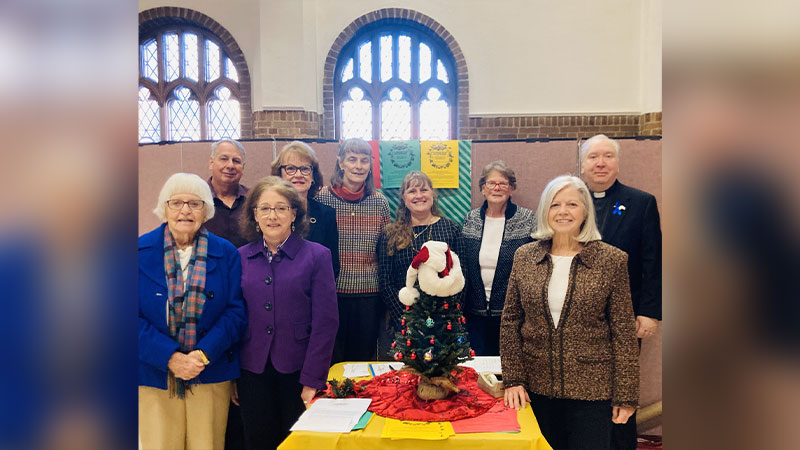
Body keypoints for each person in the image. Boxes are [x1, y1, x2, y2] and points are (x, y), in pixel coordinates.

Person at [501, 175, 639, 450]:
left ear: (585, 211)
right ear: (545, 212)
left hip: (592, 389)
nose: (563, 212)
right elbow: (510, 321)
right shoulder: (525, 256)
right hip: (535, 387)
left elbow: (623, 330)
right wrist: (513, 379)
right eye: (555, 205)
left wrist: (626, 394)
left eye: (572, 204)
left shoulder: (611, 260)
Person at [139, 173, 247, 450]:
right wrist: (170, 357)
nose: (185, 210)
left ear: (206, 211)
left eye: (195, 203)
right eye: (176, 202)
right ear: (164, 207)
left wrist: (201, 355)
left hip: (210, 369)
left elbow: (236, 313)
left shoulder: (226, 253)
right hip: (154, 373)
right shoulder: (137, 251)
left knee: (207, 445)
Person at [235, 176, 338, 450]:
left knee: (298, 444)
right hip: (251, 371)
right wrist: (233, 376)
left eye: (281, 208)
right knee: (258, 441)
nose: (273, 215)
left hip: (299, 370)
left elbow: (326, 323)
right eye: (265, 208)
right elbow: (233, 317)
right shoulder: (240, 257)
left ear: (294, 213)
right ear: (254, 214)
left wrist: (313, 378)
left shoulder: (317, 256)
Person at [579, 134, 662, 450]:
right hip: (579, 317)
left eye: (608, 156)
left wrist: (650, 312)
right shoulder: (570, 201)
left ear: (617, 162)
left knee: (620, 388)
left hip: (626, 315)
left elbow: (653, 261)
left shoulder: (641, 203)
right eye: (593, 157)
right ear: (582, 164)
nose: (600, 163)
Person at [316, 138, 390, 363]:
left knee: (362, 360)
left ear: (370, 166)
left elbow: (385, 252)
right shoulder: (322, 198)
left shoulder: (380, 203)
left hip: (369, 295)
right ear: (341, 163)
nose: (358, 166)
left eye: (364, 161)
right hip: (332, 293)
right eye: (352, 159)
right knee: (332, 359)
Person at [377, 171, 464, 355]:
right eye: (412, 191)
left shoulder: (451, 229)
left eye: (423, 189)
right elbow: (385, 281)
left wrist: (447, 314)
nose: (418, 196)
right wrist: (406, 316)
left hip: (444, 321)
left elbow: (462, 276)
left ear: (433, 194)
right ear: (403, 197)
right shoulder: (389, 234)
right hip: (405, 321)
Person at [461, 161, 536, 356]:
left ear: (511, 188)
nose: (497, 188)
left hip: (512, 314)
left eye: (503, 184)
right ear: (482, 188)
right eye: (491, 183)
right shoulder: (471, 219)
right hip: (474, 313)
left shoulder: (527, 220)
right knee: (477, 370)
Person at [271, 140, 340, 278]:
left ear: (313, 176)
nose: (298, 174)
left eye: (305, 169)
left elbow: (333, 266)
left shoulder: (326, 214)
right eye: (290, 168)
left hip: (315, 292)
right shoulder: (269, 212)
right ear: (280, 175)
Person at [205, 139, 250, 248]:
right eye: (224, 159)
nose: (230, 165)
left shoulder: (253, 200)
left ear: (243, 167)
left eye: (236, 161)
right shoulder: (197, 199)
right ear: (211, 162)